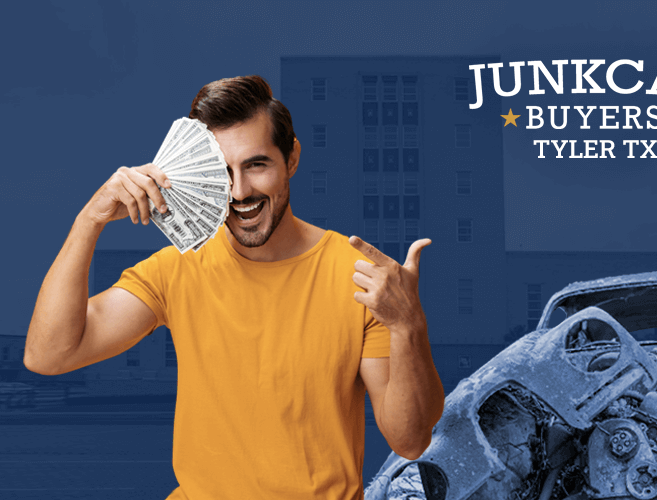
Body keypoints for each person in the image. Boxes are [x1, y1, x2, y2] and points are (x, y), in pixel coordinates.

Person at [25, 75, 445, 499]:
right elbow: (48, 355)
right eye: (221, 173)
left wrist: (409, 324)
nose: (239, 191)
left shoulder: (356, 277)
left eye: (256, 165)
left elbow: (409, 440)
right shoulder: (177, 270)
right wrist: (89, 221)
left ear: (292, 159)